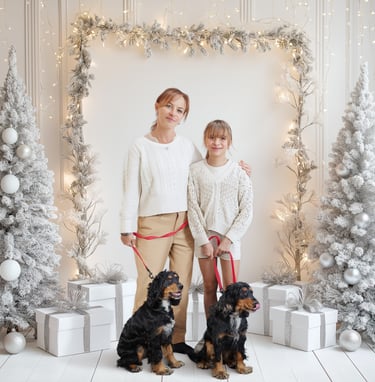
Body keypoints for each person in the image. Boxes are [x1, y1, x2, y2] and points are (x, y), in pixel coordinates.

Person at [120, 89, 250, 358]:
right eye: (169, 106)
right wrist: (127, 226)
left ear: (183, 116)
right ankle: (138, 342)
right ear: (157, 106)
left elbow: (210, 171)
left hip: (184, 224)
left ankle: (174, 340)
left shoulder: (186, 146)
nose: (173, 113)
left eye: (180, 110)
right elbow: (130, 189)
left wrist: (240, 169)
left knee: (180, 285)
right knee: (149, 285)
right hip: (151, 223)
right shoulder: (140, 146)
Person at [187, 119, 253, 318]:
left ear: (229, 141)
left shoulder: (240, 173)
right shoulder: (195, 171)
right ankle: (213, 335)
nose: (217, 142)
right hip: (204, 239)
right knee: (209, 287)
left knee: (231, 290)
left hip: (230, 240)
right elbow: (192, 208)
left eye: (222, 138)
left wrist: (228, 239)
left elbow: (247, 210)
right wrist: (203, 240)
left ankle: (231, 335)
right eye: (212, 137)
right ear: (205, 140)